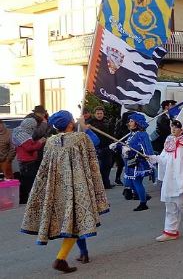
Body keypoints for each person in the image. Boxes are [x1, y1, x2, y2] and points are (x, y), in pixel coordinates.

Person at [20, 110, 109, 274]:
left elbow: (45, 167)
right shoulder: (80, 138)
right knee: (75, 220)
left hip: (59, 188)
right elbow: (96, 142)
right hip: (77, 187)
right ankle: (60, 258)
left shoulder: (51, 142)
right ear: (70, 123)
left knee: (74, 222)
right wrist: (85, 128)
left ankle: (84, 253)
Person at [112, 112, 155, 211]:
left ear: (137, 123)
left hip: (137, 163)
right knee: (129, 183)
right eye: (129, 121)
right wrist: (117, 146)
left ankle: (143, 203)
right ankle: (143, 196)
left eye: (131, 121)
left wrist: (130, 149)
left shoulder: (142, 134)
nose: (129, 123)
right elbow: (127, 146)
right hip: (129, 163)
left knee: (136, 182)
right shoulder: (132, 134)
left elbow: (145, 148)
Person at [12, 118, 46, 204]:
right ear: (30, 126)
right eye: (33, 127)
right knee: (28, 181)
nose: (34, 129)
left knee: (26, 180)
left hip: (24, 161)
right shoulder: (23, 135)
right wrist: (40, 142)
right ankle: (24, 199)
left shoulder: (19, 132)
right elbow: (30, 148)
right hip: (27, 161)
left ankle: (24, 198)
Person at [87, 106, 114, 189]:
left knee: (108, 165)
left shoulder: (107, 122)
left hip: (107, 146)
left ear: (103, 113)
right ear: (94, 114)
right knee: (99, 166)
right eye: (97, 113)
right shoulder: (90, 123)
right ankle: (100, 184)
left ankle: (106, 182)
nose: (99, 115)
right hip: (96, 147)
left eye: (101, 113)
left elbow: (112, 133)